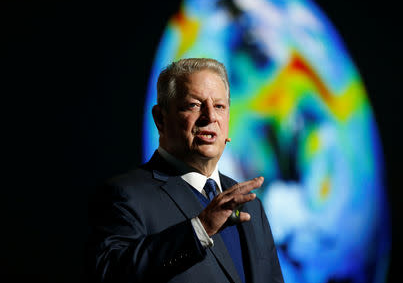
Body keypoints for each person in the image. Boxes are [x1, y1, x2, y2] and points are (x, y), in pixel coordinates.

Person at [86, 58, 284, 283]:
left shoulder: (250, 205)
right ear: (160, 119)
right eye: (194, 105)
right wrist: (200, 229)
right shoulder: (125, 196)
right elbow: (111, 274)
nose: (210, 117)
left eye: (219, 106)